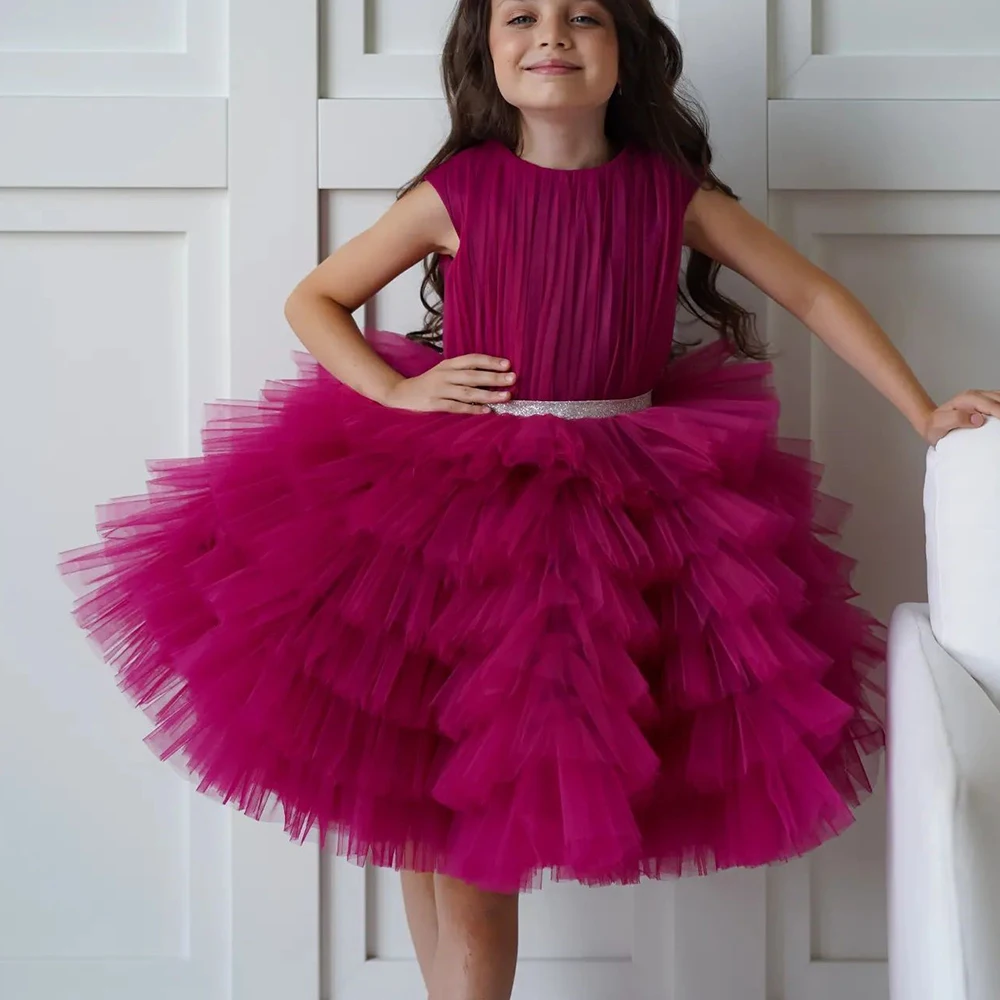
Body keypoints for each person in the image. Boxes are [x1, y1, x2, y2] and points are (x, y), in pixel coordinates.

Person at [59, 1, 1000, 998]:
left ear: (624, 51)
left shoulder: (666, 192)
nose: (551, 34)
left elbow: (810, 293)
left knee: (472, 817)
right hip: (451, 507)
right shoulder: (458, 189)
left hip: (624, 506)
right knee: (429, 801)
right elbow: (315, 297)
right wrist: (394, 387)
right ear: (487, 53)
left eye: (582, 16)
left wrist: (921, 406)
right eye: (522, 17)